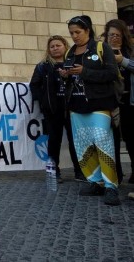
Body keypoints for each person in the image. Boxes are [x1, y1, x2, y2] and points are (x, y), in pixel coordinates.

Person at [61, 15, 121, 206]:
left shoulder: (101, 48)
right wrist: (65, 75)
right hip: (76, 106)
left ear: (87, 30)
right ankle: (95, 182)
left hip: (99, 104)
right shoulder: (70, 52)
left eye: (77, 32)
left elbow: (111, 73)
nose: (74, 36)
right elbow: (70, 79)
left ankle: (111, 186)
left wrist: (84, 72)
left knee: (104, 144)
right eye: (71, 33)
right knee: (83, 145)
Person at [30, 35, 83, 182]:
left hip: (72, 107)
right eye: (52, 46)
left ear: (65, 46)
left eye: (58, 45)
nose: (55, 48)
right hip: (52, 109)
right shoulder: (43, 66)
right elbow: (34, 85)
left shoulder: (73, 63)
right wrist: (42, 101)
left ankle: (80, 171)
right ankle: (54, 171)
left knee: (75, 141)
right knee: (54, 141)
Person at [102, 19, 134, 184]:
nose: (114, 38)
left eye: (117, 35)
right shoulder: (101, 52)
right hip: (110, 102)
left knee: (130, 139)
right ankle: (116, 175)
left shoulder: (130, 51)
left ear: (124, 36)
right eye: (111, 35)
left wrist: (123, 61)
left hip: (130, 101)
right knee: (111, 140)